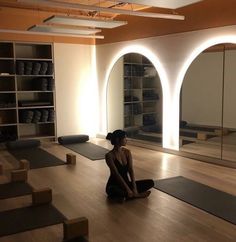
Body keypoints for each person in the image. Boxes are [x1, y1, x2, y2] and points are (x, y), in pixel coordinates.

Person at [105, 129, 154, 202]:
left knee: (151, 182)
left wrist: (134, 188)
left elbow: (131, 170)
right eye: (125, 138)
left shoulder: (127, 152)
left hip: (127, 183)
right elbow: (116, 174)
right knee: (112, 190)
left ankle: (124, 197)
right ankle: (135, 195)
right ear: (118, 140)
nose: (126, 140)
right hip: (114, 185)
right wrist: (128, 189)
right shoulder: (109, 155)